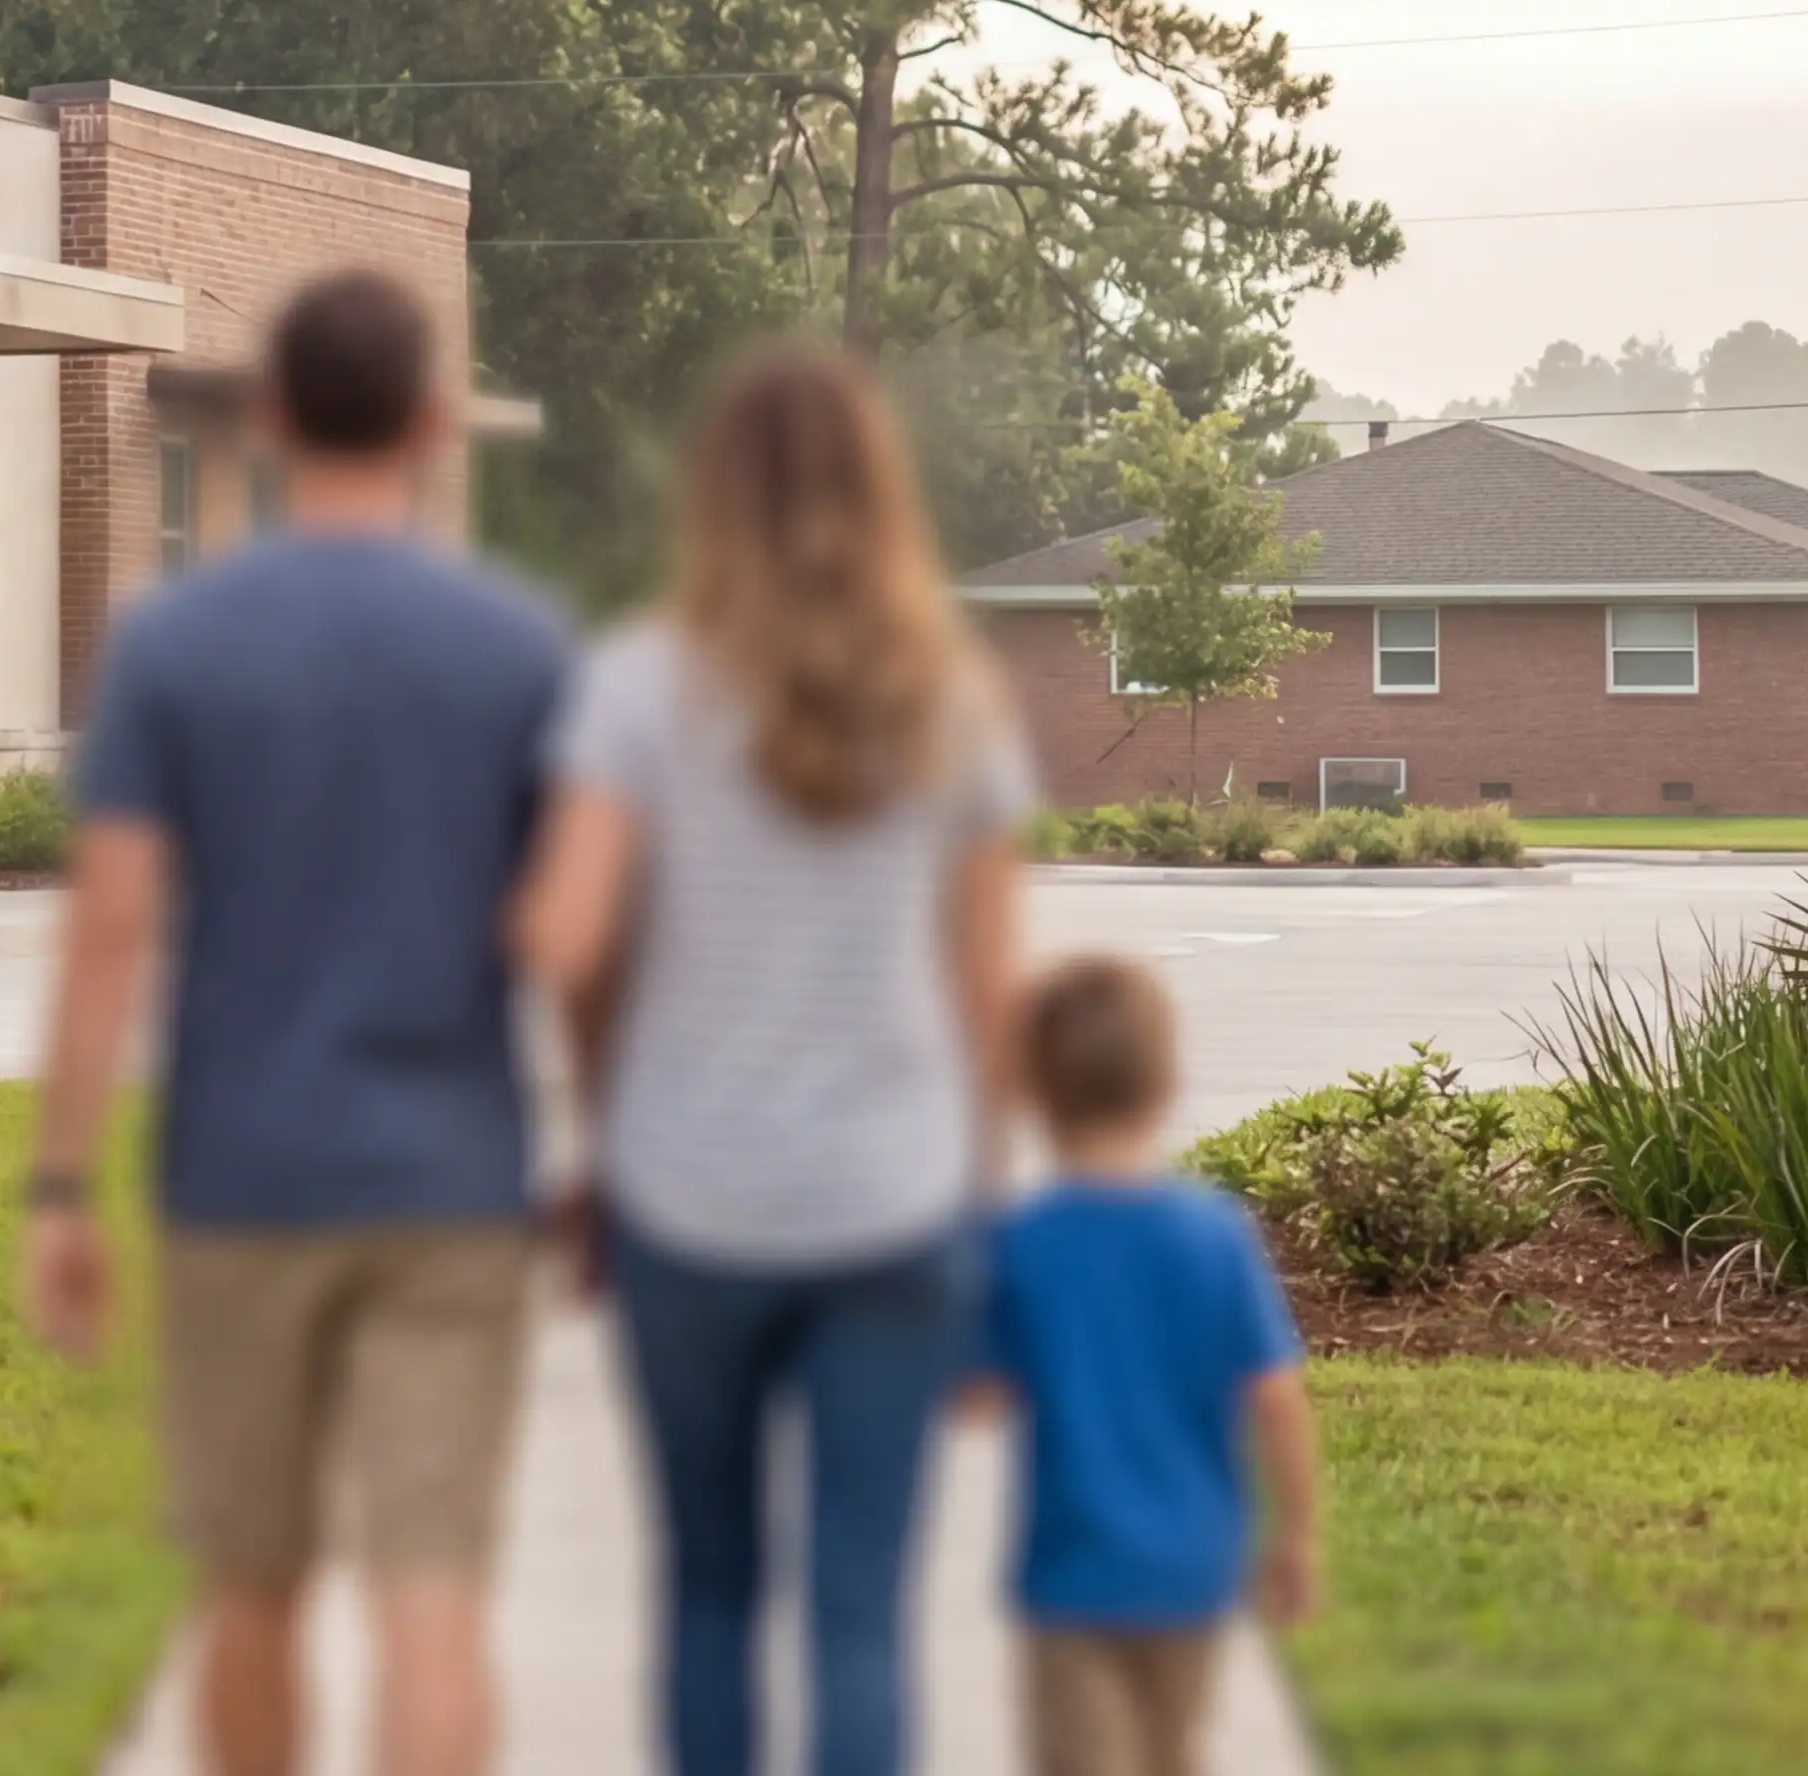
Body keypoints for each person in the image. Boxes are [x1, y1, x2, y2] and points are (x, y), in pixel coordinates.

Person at [24, 267, 570, 1776]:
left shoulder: (176, 646)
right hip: (455, 1184)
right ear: (436, 426)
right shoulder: (518, 652)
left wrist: (62, 1184)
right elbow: (572, 932)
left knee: (250, 1591)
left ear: (269, 420)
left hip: (241, 1182)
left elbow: (113, 931)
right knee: (433, 1599)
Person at [505, 344, 1030, 1776]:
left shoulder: (636, 691)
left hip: (692, 1205)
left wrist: (601, 1129)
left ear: (715, 500)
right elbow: (992, 1008)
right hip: (895, 1208)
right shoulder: (955, 701)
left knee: (710, 1592)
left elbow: (563, 939)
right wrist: (983, 1215)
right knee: (861, 1618)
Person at [963, 954, 1323, 1776]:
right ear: (1166, 1085)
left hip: (1074, 1573)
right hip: (1193, 1570)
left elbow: (978, 1398)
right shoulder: (1215, 1235)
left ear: (1038, 1095)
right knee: (1172, 1752)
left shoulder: (1025, 1244)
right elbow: (1275, 1398)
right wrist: (1295, 1536)